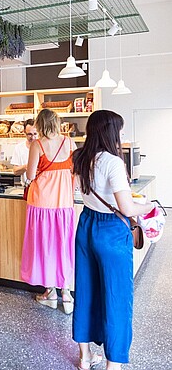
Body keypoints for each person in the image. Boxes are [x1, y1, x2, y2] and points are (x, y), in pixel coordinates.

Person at [72, 110, 156, 370]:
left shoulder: (79, 157)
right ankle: (114, 364)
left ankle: (85, 358)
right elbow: (127, 208)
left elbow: (80, 190)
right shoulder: (113, 162)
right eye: (119, 130)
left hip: (86, 224)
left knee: (85, 290)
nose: (121, 136)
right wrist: (150, 206)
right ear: (109, 132)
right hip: (110, 231)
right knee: (117, 296)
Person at [21, 108, 76, 314]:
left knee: (45, 246)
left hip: (42, 202)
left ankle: (50, 292)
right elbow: (75, 172)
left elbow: (30, 174)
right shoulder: (70, 143)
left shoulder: (37, 144)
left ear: (40, 124)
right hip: (64, 202)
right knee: (63, 245)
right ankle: (67, 294)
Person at [10, 119, 38, 185]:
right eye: (29, 134)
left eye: (35, 134)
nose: (33, 137)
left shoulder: (43, 148)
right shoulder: (19, 148)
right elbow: (15, 171)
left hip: (40, 188)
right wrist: (26, 167)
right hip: (26, 187)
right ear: (24, 133)